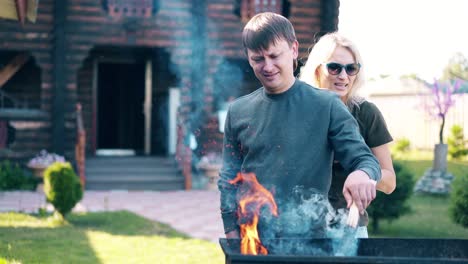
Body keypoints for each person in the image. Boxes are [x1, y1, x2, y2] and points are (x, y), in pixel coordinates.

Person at [217, 12, 381, 239]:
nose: (267, 66)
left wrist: (362, 173)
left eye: (275, 56)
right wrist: (231, 230)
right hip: (254, 240)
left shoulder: (327, 105)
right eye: (258, 59)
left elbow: (365, 159)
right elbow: (228, 177)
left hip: (310, 242)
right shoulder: (238, 111)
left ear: (293, 50)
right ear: (248, 57)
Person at [299, 32, 396, 237]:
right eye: (334, 67)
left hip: (350, 228)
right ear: (317, 70)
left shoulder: (366, 113)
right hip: (303, 227)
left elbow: (389, 182)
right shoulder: (299, 111)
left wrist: (365, 177)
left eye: (351, 68)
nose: (343, 76)